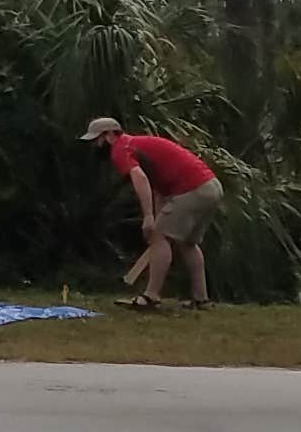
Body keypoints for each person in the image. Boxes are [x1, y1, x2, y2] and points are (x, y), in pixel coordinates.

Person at [82, 116, 221, 308]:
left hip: (192, 188)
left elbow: (140, 178)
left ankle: (150, 296)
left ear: (110, 135)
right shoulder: (136, 145)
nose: (94, 146)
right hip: (211, 187)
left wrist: (148, 218)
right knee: (188, 243)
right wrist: (154, 217)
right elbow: (159, 190)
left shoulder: (121, 148)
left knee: (159, 237)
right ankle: (201, 299)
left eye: (97, 140)